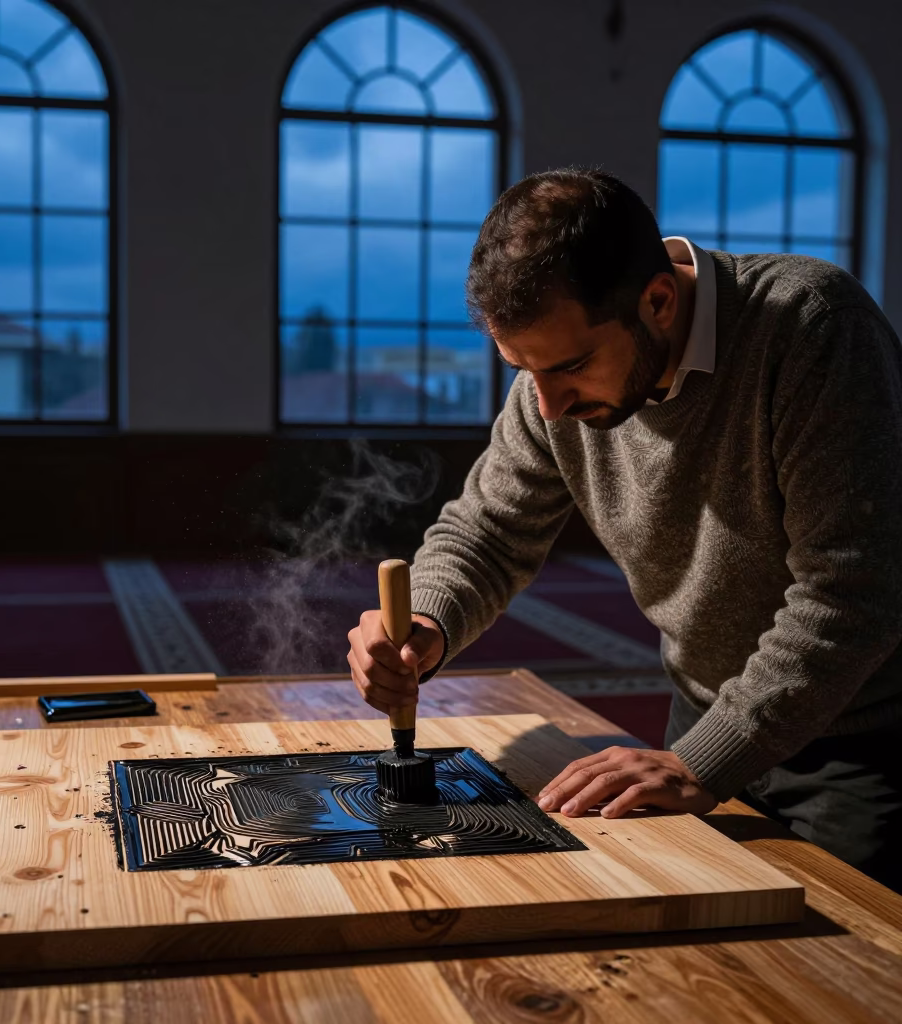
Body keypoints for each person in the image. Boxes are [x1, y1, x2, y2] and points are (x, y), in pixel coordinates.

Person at [346, 167, 902, 892]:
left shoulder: (814, 327)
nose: (549, 406)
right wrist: (427, 621)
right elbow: (486, 533)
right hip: (702, 718)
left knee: (840, 950)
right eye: (523, 370)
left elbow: (851, 593)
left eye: (571, 366)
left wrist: (704, 760)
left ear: (659, 301)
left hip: (857, 741)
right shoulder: (550, 382)